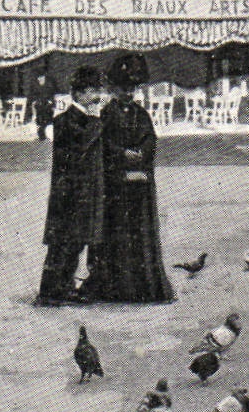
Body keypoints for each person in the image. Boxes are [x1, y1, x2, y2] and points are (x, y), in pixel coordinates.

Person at [86, 53, 175, 304]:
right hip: (116, 187)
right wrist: (122, 154)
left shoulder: (141, 114)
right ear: (114, 89)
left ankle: (143, 287)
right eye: (123, 88)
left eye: (131, 89)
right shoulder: (106, 114)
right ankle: (116, 288)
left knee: (140, 234)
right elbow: (102, 144)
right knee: (118, 234)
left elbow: (150, 139)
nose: (128, 93)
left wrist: (141, 153)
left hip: (139, 186)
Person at [36, 66, 105, 306]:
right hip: (69, 194)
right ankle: (50, 292)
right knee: (63, 244)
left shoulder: (85, 119)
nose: (96, 96)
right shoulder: (65, 121)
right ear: (78, 94)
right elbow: (82, 145)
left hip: (85, 193)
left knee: (75, 243)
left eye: (97, 90)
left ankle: (63, 287)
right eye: (91, 91)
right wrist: (95, 120)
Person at [31, 71, 55, 141]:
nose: (39, 79)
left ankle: (48, 135)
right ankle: (41, 136)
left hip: (47, 105)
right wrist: (35, 101)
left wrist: (50, 101)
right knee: (39, 120)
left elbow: (52, 94)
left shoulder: (49, 85)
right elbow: (34, 95)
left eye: (41, 78)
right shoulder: (36, 86)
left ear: (44, 77)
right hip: (39, 105)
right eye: (38, 78)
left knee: (47, 120)